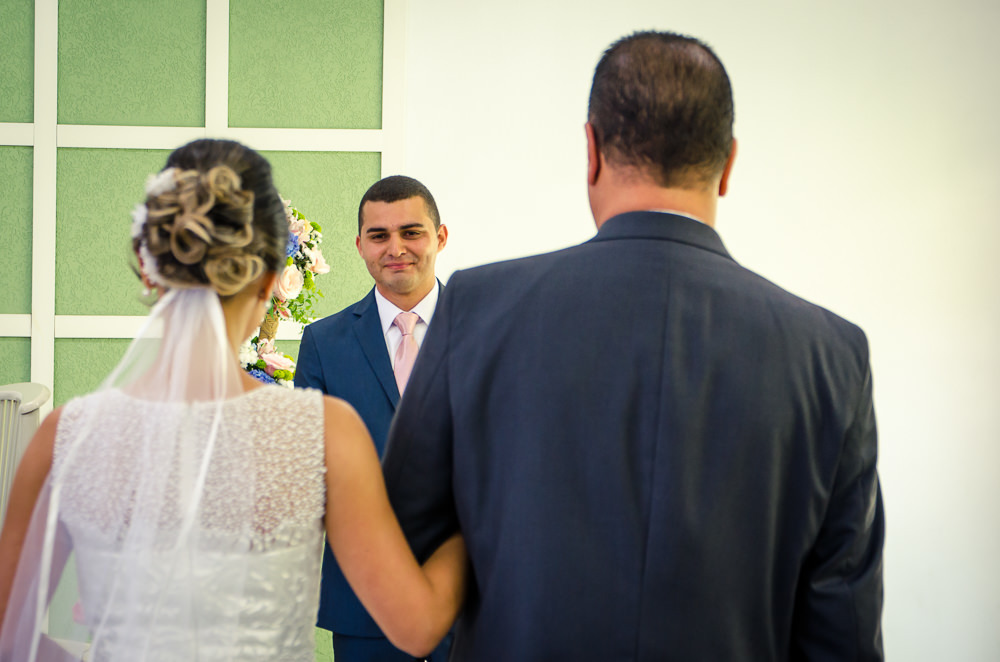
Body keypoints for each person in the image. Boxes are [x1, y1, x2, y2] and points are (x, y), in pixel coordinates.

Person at [381, 31, 885, 661]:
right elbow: (841, 632)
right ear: (728, 164)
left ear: (590, 151)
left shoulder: (477, 307)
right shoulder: (832, 354)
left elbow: (404, 541)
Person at [0, 140, 465, 662]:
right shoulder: (323, 431)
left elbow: (7, 635)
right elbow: (417, 627)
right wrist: (465, 531)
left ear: (148, 268)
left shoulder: (65, 435)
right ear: (270, 279)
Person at [295, 175, 452, 661]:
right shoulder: (323, 343)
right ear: (360, 245)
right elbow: (309, 472)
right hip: (363, 603)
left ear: (440, 237)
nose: (396, 248)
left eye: (412, 232)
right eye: (379, 235)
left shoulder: (488, 329)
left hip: (473, 596)